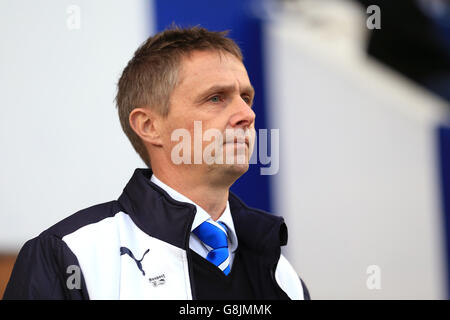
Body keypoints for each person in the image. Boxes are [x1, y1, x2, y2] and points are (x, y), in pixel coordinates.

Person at [3, 26, 310, 300]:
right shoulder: (68, 257)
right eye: (216, 98)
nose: (247, 115)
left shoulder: (284, 276)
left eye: (246, 97)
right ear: (149, 126)